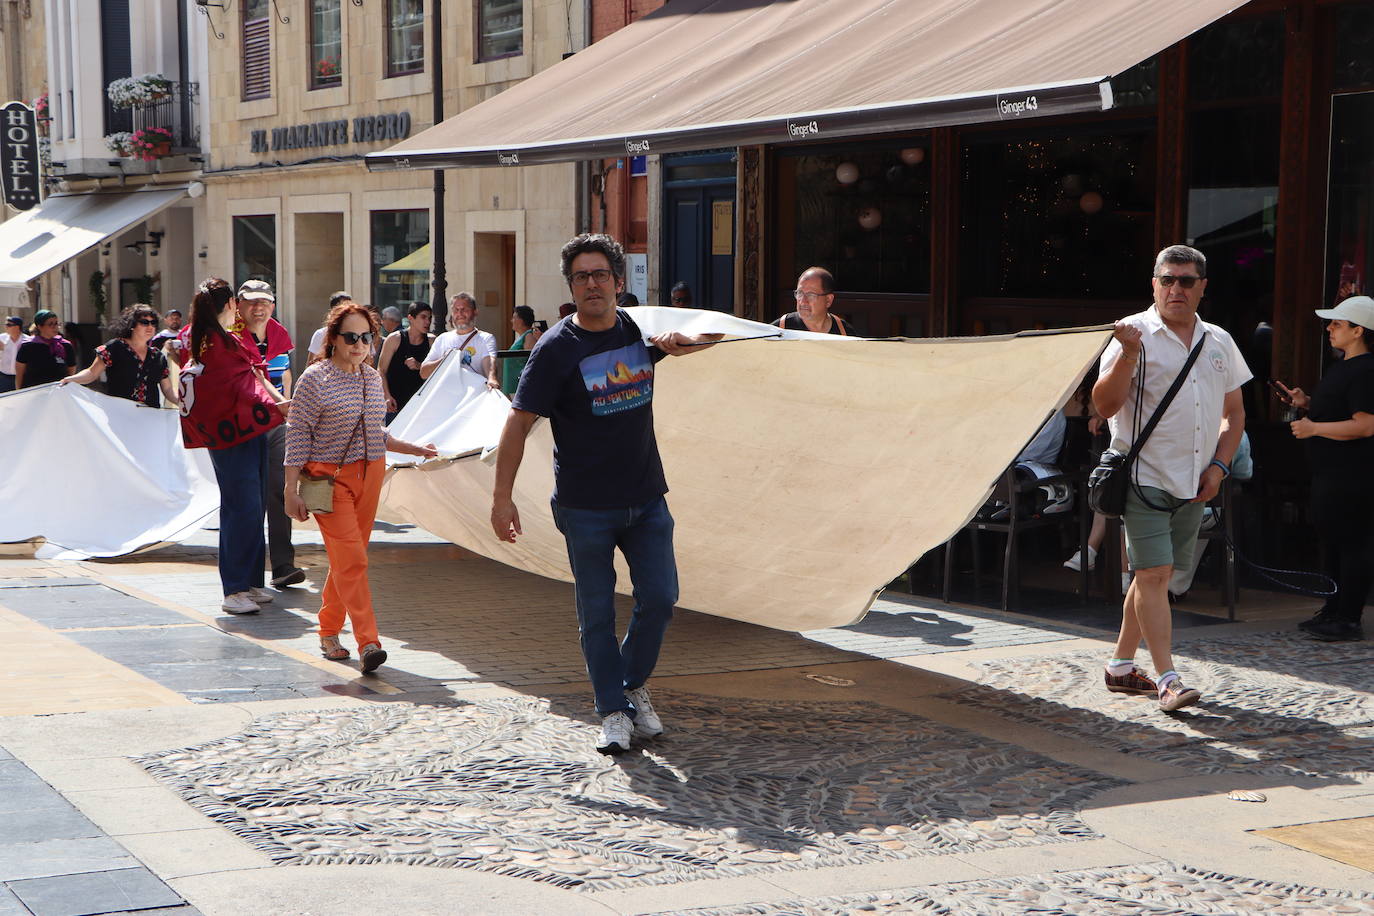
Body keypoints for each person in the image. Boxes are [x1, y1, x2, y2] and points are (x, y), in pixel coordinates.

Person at [491, 233, 721, 754]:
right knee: (596, 613)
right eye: (581, 277)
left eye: (600, 275)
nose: (591, 284)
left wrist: (687, 344)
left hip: (647, 498)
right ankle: (613, 710)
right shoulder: (555, 350)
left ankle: (630, 684)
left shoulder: (637, 329)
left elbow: (710, 336)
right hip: (585, 506)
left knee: (660, 600)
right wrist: (501, 498)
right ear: (571, 287)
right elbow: (517, 421)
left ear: (619, 282)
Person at [1092, 245, 1249, 712]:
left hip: (1196, 482)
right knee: (1155, 574)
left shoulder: (1218, 340)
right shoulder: (1132, 333)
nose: (1175, 288)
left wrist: (1220, 468)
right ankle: (1168, 680)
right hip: (1145, 477)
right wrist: (1128, 355)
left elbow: (1235, 413)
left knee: (1156, 578)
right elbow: (1103, 407)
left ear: (1202, 287)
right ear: (1153, 284)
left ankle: (1121, 667)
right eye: (1167, 279)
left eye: (1185, 280)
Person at [283, 302, 436, 672]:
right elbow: (298, 434)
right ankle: (369, 642)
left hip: (370, 474)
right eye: (351, 337)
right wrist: (290, 489)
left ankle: (328, 629)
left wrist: (412, 448)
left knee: (346, 560)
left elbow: (374, 432)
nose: (359, 344)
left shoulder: (369, 378)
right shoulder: (313, 379)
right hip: (327, 478)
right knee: (353, 560)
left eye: (366, 337)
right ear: (333, 339)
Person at [179, 278, 292, 615]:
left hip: (249, 428)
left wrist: (278, 405)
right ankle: (234, 588)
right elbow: (241, 390)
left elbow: (254, 381)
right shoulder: (214, 344)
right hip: (232, 433)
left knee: (254, 505)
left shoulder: (220, 340)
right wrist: (277, 407)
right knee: (240, 506)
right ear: (231, 305)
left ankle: (251, 581)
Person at [1277, 295, 1374, 642]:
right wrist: (1307, 404)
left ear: (1358, 330)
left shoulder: (1366, 369)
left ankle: (1348, 617)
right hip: (1329, 473)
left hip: (1352, 475)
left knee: (1351, 544)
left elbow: (1365, 424)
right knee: (1333, 543)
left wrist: (1315, 428)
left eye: (1337, 324)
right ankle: (1333, 609)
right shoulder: (1344, 366)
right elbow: (1340, 410)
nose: (1330, 329)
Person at [235, 279, 305, 589]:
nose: (258, 307)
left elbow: (284, 373)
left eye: (264, 301)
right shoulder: (231, 337)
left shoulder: (279, 333)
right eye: (251, 301)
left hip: (276, 423)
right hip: (243, 425)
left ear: (273, 306)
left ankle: (282, 565)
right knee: (249, 499)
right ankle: (248, 574)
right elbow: (253, 379)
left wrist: (287, 404)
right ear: (239, 305)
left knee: (280, 491)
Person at [63, 304, 179, 408]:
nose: (150, 326)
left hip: (151, 417)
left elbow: (167, 388)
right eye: (144, 322)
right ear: (132, 325)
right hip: (119, 415)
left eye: (153, 323)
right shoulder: (115, 347)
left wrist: (182, 402)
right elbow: (92, 373)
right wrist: (72, 379)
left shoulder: (157, 356)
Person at [420, 292, 498, 389]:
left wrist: (492, 378)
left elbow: (489, 361)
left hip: (474, 396)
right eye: (456, 310)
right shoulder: (442, 339)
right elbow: (423, 373)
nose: (460, 314)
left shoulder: (486, 338)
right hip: (448, 397)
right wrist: (444, 359)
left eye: (464, 309)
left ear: (475, 312)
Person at [378, 301, 434, 422]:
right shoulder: (395, 339)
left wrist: (420, 366)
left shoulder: (431, 341)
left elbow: (438, 370)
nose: (427, 322)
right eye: (423, 317)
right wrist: (387, 396)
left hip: (420, 406)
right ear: (410, 318)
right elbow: (381, 370)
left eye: (429, 318)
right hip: (396, 404)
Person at [774, 267, 854, 335]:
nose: (803, 301)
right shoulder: (778, 331)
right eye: (800, 293)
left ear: (828, 300)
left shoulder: (845, 333)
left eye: (811, 295)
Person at [14, 310, 76, 388]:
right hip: (34, 393)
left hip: (58, 392)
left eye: (56, 323)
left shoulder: (66, 345)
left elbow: (71, 371)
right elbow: (20, 374)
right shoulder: (27, 346)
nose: (55, 327)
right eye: (50, 324)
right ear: (40, 326)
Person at [501, 305, 542, 396]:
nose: (512, 321)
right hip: (513, 388)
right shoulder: (521, 337)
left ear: (521, 320)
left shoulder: (529, 336)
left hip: (520, 388)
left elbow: (531, 362)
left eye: (514, 317)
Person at [308, 291, 354, 365]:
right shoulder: (320, 334)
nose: (348, 312)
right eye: (344, 308)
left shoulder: (357, 335)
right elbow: (310, 364)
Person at [0, 316, 30, 392]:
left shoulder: (27, 341)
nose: (6, 327)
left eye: (9, 325)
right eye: (6, 324)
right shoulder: (1, 338)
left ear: (17, 327)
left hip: (21, 377)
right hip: (4, 377)